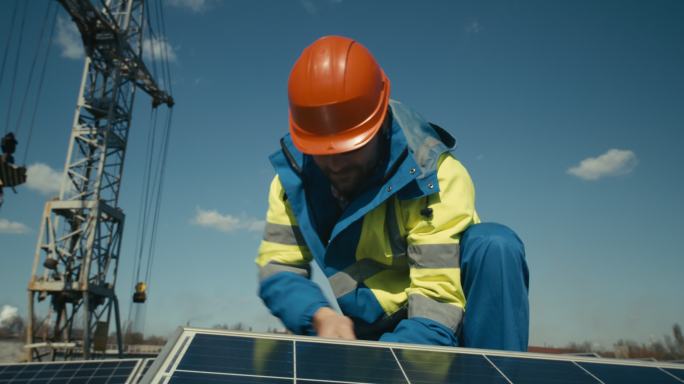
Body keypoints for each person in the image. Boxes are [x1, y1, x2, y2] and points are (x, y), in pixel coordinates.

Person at [255, 36, 529, 350]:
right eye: (321, 152)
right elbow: (279, 266)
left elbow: (437, 301)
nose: (336, 164)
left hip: (444, 323)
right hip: (371, 329)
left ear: (380, 122)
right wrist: (319, 315)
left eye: (350, 148)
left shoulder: (434, 176)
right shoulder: (293, 184)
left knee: (494, 246)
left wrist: (393, 365)